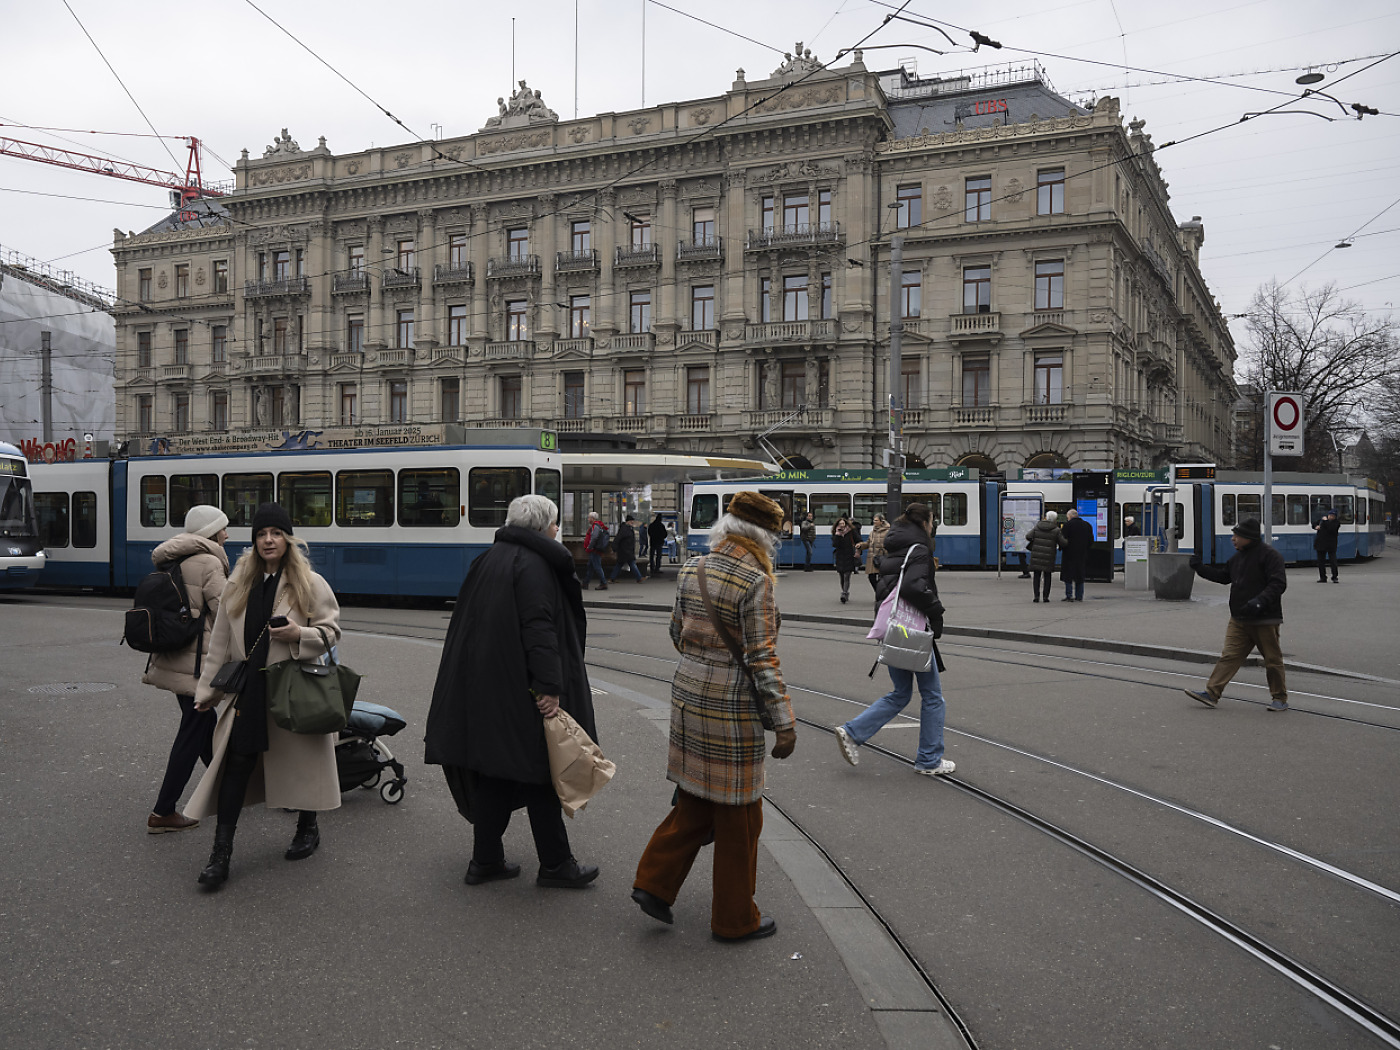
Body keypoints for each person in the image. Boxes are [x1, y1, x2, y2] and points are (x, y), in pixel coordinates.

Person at [631, 491, 796, 941]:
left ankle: (654, 883)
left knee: (697, 799)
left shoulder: (693, 568)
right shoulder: (755, 580)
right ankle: (734, 918)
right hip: (730, 707)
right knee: (742, 816)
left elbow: (675, 631)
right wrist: (783, 722)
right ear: (763, 536)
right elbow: (762, 657)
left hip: (688, 696)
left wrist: (702, 665)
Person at [425, 494, 599, 889]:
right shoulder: (534, 565)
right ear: (542, 527)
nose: (558, 531)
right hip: (523, 688)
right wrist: (550, 687)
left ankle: (485, 860)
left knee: (498, 772)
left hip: (490, 685)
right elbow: (540, 631)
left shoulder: (489, 560)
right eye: (555, 524)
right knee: (539, 771)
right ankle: (556, 864)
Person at [186, 503, 342, 888]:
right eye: (261, 534)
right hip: (249, 692)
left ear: (287, 539)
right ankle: (220, 855)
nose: (268, 540)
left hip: (293, 688)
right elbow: (219, 642)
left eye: (275, 533)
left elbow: (331, 632)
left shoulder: (309, 582)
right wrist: (207, 691)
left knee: (302, 763)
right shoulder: (239, 583)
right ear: (253, 541)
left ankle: (308, 825)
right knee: (235, 764)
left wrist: (299, 636)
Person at [835, 501, 954, 776]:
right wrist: (936, 612)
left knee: (901, 693)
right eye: (932, 520)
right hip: (913, 630)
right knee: (933, 696)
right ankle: (929, 759)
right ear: (924, 523)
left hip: (893, 627)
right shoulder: (920, 549)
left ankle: (852, 733)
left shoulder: (896, 547)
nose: (933, 525)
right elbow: (914, 586)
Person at [142, 504, 230, 833]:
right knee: (194, 729)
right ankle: (163, 811)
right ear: (210, 532)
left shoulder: (173, 559)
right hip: (196, 667)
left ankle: (227, 787)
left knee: (203, 724)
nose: (227, 534)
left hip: (173, 659)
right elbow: (227, 614)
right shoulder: (208, 561)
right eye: (223, 528)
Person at [1184, 517, 1289, 712]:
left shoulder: (1270, 556)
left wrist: (1259, 601)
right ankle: (1212, 693)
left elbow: (1278, 584)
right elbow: (1223, 577)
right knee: (1229, 656)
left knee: (1272, 660)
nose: (1233, 539)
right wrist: (1199, 568)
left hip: (1265, 619)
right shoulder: (1237, 558)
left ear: (1248, 537)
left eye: (1236, 535)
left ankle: (1280, 698)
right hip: (1239, 618)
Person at [1025, 510, 1064, 603]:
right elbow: (1063, 542)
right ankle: (1046, 597)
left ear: (1046, 517)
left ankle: (1036, 596)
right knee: (1047, 576)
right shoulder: (1056, 530)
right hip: (1049, 556)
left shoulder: (1037, 527)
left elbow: (1028, 536)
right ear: (1055, 519)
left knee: (1036, 576)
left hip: (1036, 555)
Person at [1060, 508, 1093, 602]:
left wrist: (1062, 548)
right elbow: (1091, 541)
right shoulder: (1087, 525)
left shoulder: (1067, 525)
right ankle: (1079, 596)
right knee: (1080, 575)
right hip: (1082, 554)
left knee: (1068, 575)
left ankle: (1069, 595)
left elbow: (1063, 540)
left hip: (1069, 554)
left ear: (1069, 516)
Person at [609, 514, 645, 583]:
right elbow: (618, 539)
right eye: (631, 521)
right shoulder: (624, 529)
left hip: (626, 551)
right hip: (625, 551)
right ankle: (639, 578)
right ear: (628, 521)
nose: (632, 522)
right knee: (632, 564)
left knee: (619, 565)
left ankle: (612, 578)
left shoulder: (627, 528)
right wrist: (614, 548)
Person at [858, 513, 889, 592]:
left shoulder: (888, 532)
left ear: (881, 521)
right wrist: (861, 546)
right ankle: (878, 592)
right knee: (871, 577)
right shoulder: (872, 532)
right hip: (873, 558)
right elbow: (868, 543)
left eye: (876, 520)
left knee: (882, 579)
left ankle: (881, 595)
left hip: (883, 558)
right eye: (874, 520)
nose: (874, 522)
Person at [832, 517, 857, 603]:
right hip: (840, 557)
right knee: (842, 577)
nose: (842, 526)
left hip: (849, 556)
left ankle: (844, 593)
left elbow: (858, 540)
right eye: (840, 524)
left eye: (843, 524)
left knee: (847, 576)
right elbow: (834, 544)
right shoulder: (836, 533)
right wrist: (837, 534)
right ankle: (845, 592)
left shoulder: (851, 531)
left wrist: (858, 549)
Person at [583, 511, 610, 591]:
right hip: (595, 550)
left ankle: (603, 583)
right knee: (590, 567)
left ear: (593, 518)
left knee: (597, 567)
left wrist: (589, 547)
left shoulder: (595, 526)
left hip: (594, 550)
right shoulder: (597, 526)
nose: (588, 519)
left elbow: (594, 538)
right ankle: (585, 583)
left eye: (589, 517)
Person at [1312, 508, 1340, 583]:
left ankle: (1334, 577)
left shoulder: (1336, 523)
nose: (1331, 517)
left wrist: (1326, 521)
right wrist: (1315, 526)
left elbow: (1331, 529)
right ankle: (1322, 577)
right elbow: (1314, 523)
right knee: (1321, 562)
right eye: (1330, 515)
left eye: (1333, 516)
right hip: (1320, 543)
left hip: (1331, 544)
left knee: (1333, 561)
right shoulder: (1322, 520)